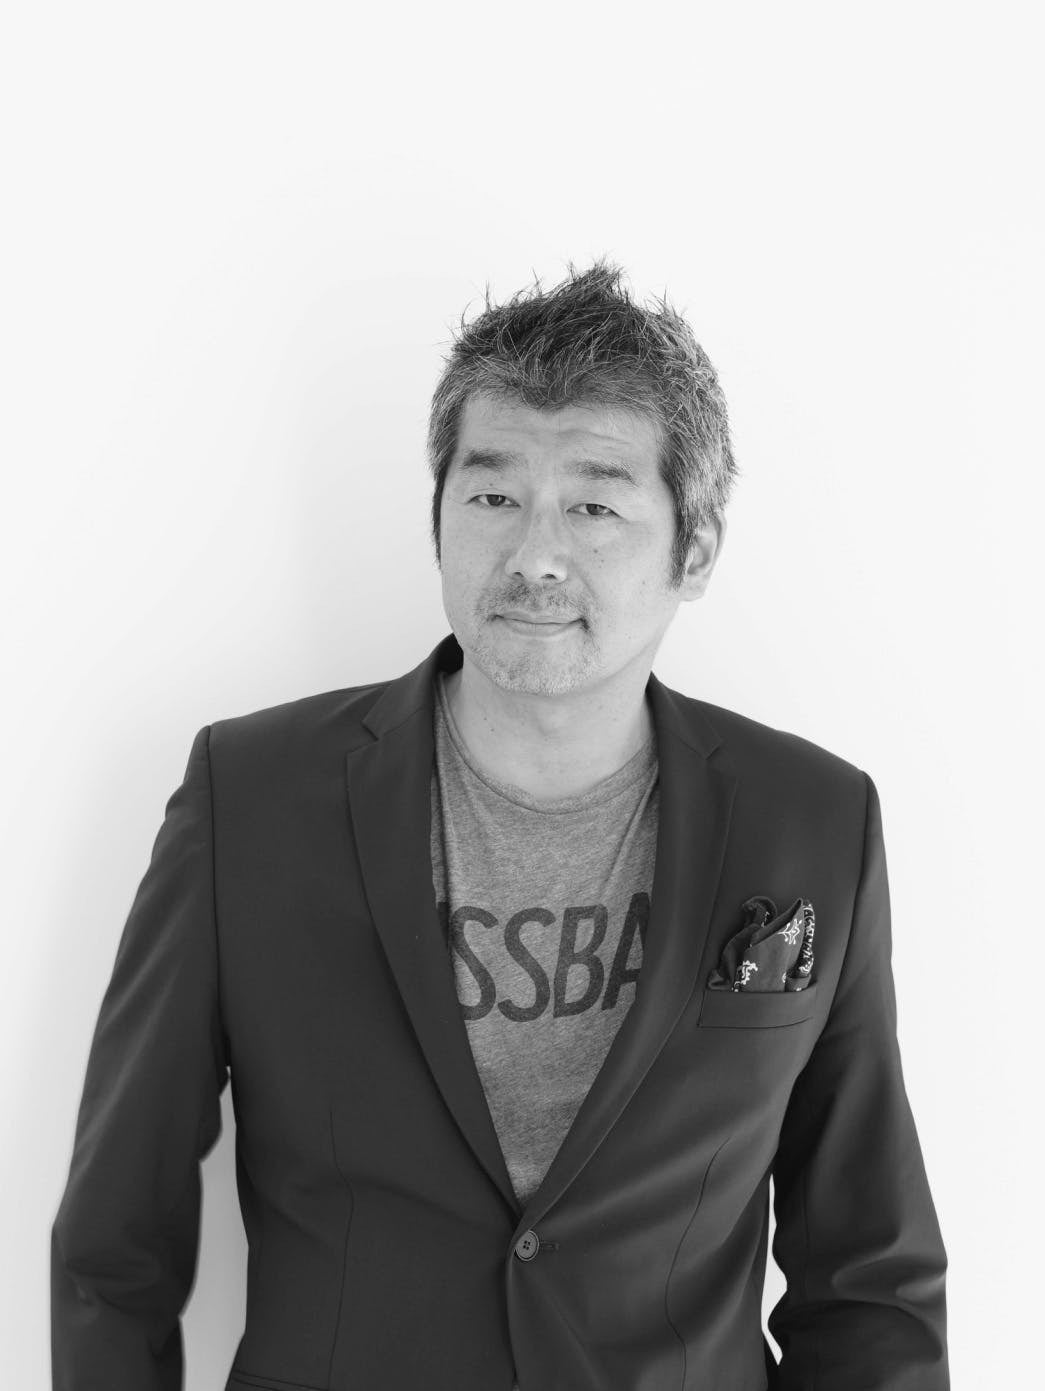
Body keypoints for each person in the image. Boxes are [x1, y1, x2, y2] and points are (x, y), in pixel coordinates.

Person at [51, 259, 949, 1389]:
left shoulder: (811, 820)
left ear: (695, 549)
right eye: (491, 497)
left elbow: (868, 1275)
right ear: (438, 521)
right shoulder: (251, 799)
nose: (534, 556)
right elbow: (113, 1250)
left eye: (594, 504)